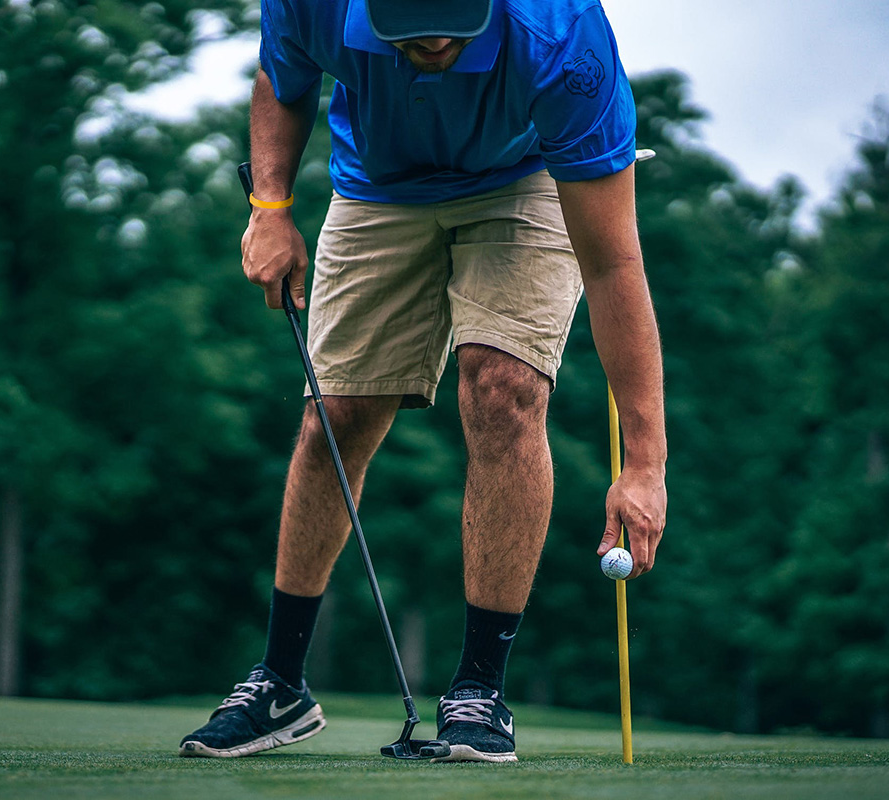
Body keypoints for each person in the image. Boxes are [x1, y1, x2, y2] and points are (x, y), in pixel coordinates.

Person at [179, 0, 667, 762]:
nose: (434, 40)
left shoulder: (562, 41)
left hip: (527, 176)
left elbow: (612, 263)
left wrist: (644, 465)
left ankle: (478, 690)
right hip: (378, 183)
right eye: (412, 25)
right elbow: (284, 75)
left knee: (503, 391)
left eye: (452, 23)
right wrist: (269, 206)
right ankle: (279, 683)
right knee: (333, 416)